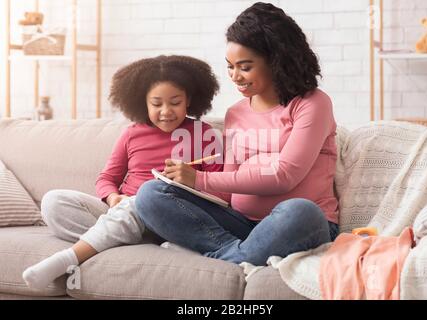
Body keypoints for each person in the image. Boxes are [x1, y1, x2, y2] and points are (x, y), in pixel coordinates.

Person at [134, 2, 340, 267]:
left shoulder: (312, 104)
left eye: (244, 66)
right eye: (230, 66)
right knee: (151, 193)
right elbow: (227, 195)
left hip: (299, 224)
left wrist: (200, 180)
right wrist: (184, 184)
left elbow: (284, 176)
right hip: (241, 225)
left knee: (300, 211)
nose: (234, 76)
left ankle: (225, 258)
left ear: (275, 61)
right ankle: (237, 254)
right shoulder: (236, 113)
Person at [22, 55, 222, 289]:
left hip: (169, 213)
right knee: (53, 202)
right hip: (124, 211)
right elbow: (107, 178)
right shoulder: (132, 134)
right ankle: (140, 239)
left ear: (188, 100)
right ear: (142, 103)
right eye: (156, 104)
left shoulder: (204, 134)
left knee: (145, 197)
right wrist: (113, 197)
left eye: (175, 102)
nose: (166, 111)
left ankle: (73, 255)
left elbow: (219, 191)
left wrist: (193, 180)